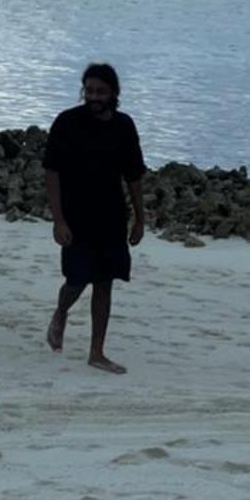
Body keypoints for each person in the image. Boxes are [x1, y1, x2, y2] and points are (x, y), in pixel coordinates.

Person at [44, 62, 146, 373]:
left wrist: (140, 218)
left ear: (114, 93)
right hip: (76, 216)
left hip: (112, 215)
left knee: (104, 282)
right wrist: (58, 219)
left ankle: (96, 352)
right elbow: (52, 172)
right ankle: (61, 311)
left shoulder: (124, 126)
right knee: (76, 280)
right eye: (89, 90)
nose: (94, 96)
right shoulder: (66, 122)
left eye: (101, 91)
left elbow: (134, 176)